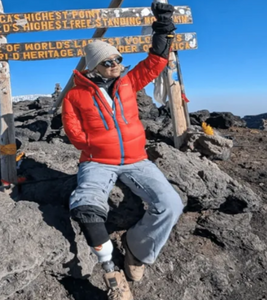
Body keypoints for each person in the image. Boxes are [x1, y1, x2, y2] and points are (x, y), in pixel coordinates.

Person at [62, 2, 184, 300]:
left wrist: (164, 26)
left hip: (137, 160)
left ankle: (136, 250)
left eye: (118, 58)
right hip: (97, 161)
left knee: (171, 205)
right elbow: (74, 133)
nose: (116, 64)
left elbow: (156, 61)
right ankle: (111, 272)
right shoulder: (75, 95)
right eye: (109, 61)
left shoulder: (128, 82)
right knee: (87, 208)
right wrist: (94, 146)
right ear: (93, 67)